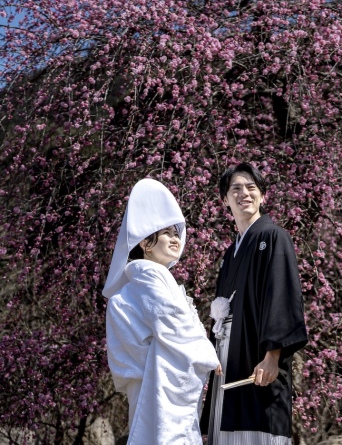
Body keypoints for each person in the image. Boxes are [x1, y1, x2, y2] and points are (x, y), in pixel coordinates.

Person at [103, 178, 221, 444]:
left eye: (176, 233)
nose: (175, 239)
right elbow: (171, 322)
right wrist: (208, 354)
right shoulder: (148, 274)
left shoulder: (142, 279)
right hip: (156, 384)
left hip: (152, 380)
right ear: (145, 243)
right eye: (166, 233)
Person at [201, 163, 308, 445]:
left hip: (257, 351)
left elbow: (283, 297)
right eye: (235, 188)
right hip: (227, 352)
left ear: (263, 196)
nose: (244, 194)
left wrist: (273, 356)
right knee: (224, 430)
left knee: (257, 428)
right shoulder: (230, 252)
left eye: (251, 188)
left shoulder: (273, 237)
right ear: (224, 200)